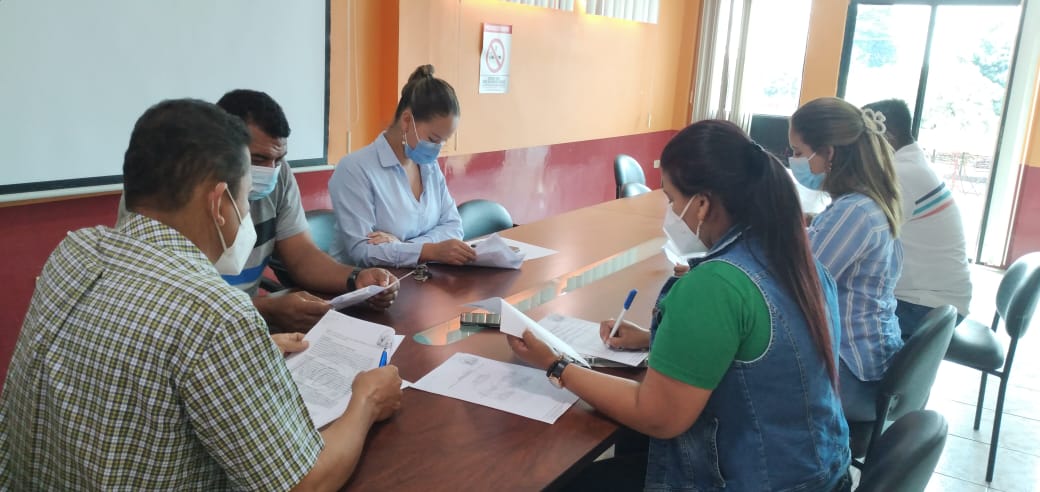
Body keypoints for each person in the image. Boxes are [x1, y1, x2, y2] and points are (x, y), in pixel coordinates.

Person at [0, 99, 402, 490]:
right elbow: (304, 483)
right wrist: (366, 400)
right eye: (245, 197)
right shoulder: (214, 315)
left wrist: (246, 351)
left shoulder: (74, 251)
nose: (248, 212)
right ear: (219, 203)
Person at [508, 120, 851, 491]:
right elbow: (753, 347)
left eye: (671, 200)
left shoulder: (715, 284)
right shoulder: (799, 262)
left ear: (702, 204)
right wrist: (651, 339)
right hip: (820, 472)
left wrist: (557, 364)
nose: (669, 212)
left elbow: (658, 416)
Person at [119, 90, 398, 333]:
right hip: (205, 324)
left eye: (279, 159)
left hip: (245, 320)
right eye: (259, 159)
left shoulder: (280, 176)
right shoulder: (169, 195)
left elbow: (302, 255)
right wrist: (265, 308)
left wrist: (356, 278)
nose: (270, 170)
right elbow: (170, 303)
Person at [789, 96, 905, 422]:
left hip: (853, 374)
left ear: (828, 154)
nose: (793, 161)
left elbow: (795, 283)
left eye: (798, 152)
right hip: (870, 360)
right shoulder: (866, 201)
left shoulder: (854, 212)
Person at [328, 65, 474, 268]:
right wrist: (429, 250)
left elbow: (453, 226)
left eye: (443, 142)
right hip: (364, 283)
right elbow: (362, 251)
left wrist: (406, 247)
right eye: (433, 139)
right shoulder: (354, 169)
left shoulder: (429, 167)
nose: (437, 149)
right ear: (406, 121)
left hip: (415, 277)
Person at [863, 98, 971, 337]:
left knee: (834, 322)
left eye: (862, 142)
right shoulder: (913, 165)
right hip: (937, 300)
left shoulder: (902, 175)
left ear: (887, 137)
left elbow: (862, 238)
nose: (858, 151)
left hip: (924, 307)